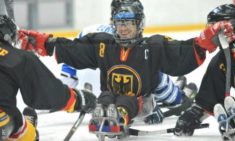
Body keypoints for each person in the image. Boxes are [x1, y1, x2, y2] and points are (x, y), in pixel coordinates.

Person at [18, 0, 234, 134]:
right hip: (109, 96)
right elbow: (73, 49)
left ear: (138, 24)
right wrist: (44, 43)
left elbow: (182, 52)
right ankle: (107, 113)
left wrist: (206, 40)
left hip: (145, 101)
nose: (123, 28)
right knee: (105, 97)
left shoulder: (153, 45)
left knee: (142, 99)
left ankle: (122, 114)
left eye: (128, 23)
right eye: (119, 23)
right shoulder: (103, 43)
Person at [59, 0, 198, 125]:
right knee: (151, 65)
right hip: (129, 102)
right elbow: (151, 74)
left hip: (94, 101)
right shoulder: (130, 40)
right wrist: (176, 101)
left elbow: (67, 76)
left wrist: (76, 100)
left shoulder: (87, 32)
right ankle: (177, 96)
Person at [0, 15, 96, 141]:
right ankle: (30, 131)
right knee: (14, 124)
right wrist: (77, 100)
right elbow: (47, 93)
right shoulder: (17, 58)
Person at [174, 4, 235, 139]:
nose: (212, 31)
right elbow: (210, 95)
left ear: (231, 25)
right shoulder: (220, 61)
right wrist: (194, 116)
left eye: (215, 25)